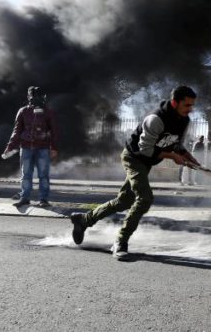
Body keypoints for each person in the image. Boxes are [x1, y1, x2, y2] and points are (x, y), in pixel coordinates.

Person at [70, 86, 201, 260]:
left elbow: (176, 144)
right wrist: (172, 156)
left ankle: (84, 220)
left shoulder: (184, 120)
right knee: (145, 198)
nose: (190, 109)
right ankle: (120, 241)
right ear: (175, 102)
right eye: (187, 105)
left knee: (124, 201)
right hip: (134, 158)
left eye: (192, 105)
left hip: (146, 162)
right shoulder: (155, 119)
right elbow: (145, 150)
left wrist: (188, 157)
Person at [3, 86, 59, 208]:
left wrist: (54, 147)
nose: (36, 99)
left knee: (43, 176)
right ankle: (25, 198)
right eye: (33, 96)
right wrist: (10, 146)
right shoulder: (23, 111)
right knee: (26, 175)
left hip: (43, 148)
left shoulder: (49, 112)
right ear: (29, 97)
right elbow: (17, 131)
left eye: (38, 96)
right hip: (26, 147)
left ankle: (43, 199)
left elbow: (54, 131)